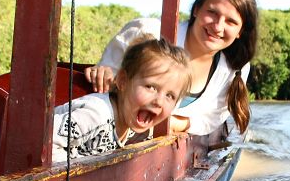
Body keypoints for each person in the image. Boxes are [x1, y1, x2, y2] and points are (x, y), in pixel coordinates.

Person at [85, 0, 258, 136]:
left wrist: (174, 124)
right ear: (197, 9)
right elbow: (109, 75)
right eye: (212, 13)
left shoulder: (234, 67)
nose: (218, 27)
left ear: (240, 31)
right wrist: (103, 74)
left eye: (231, 21)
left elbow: (212, 118)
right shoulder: (148, 33)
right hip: (107, 133)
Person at [52, 37, 192, 163]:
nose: (159, 102)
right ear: (123, 81)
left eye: (170, 96)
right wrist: (78, 174)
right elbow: (45, 142)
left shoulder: (131, 122)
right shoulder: (97, 115)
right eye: (151, 87)